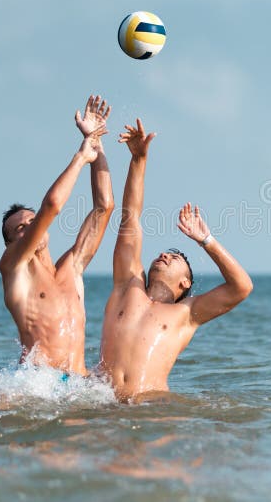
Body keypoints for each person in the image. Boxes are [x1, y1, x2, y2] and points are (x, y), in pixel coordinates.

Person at [99, 118, 253, 401]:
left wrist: (206, 240)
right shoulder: (126, 287)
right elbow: (130, 217)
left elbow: (241, 287)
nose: (164, 255)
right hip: (102, 405)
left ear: (185, 283)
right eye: (163, 253)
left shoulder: (187, 314)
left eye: (176, 257)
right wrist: (139, 160)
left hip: (153, 411)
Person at [0, 95, 113, 377]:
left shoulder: (72, 267)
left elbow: (104, 206)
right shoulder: (14, 267)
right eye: (21, 228)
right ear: (11, 243)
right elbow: (52, 206)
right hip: (38, 385)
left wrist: (96, 142)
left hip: (78, 385)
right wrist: (80, 157)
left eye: (32, 221)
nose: (30, 227)